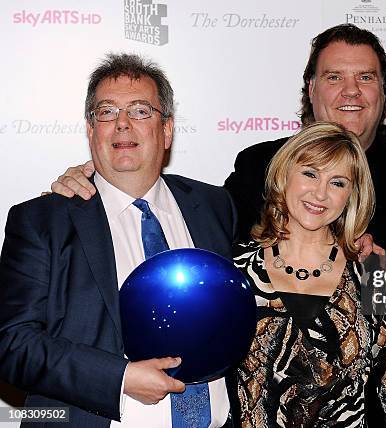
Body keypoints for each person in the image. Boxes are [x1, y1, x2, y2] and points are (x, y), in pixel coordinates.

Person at [48, 24, 386, 379]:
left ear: (383, 92)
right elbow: (207, 249)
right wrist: (102, 177)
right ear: (311, 88)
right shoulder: (256, 165)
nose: (350, 91)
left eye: (365, 77)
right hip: (269, 391)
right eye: (334, 77)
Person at [0, 53, 237, 427]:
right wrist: (120, 379)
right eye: (106, 112)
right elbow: (13, 344)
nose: (122, 124)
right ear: (91, 130)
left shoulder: (215, 205)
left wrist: (362, 243)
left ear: (167, 129)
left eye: (141, 111)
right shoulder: (41, 221)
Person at [232, 121, 386, 427]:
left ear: (351, 194)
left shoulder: (371, 272)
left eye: (338, 183)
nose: (320, 193)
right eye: (310, 173)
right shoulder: (235, 270)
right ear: (284, 175)